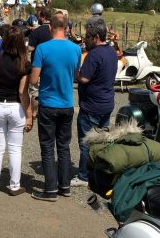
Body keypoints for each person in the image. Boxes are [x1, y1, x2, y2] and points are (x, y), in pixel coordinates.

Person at [30, 13, 82, 202]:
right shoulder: (76, 49)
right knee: (64, 146)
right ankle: (65, 186)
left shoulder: (42, 49)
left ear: (50, 27)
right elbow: (76, 75)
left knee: (47, 146)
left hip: (48, 103)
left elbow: (34, 79)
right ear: (67, 28)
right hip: (67, 103)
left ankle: (50, 189)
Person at [0, 25, 33, 196]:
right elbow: (22, 92)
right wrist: (29, 115)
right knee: (15, 148)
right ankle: (14, 186)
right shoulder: (24, 63)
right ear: (20, 42)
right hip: (15, 107)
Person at [70, 16, 119, 188]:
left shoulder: (94, 55)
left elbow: (83, 78)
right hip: (107, 103)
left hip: (91, 106)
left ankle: (83, 176)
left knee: (87, 142)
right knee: (102, 140)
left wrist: (75, 71)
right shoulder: (112, 52)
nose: (86, 41)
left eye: (88, 38)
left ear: (96, 37)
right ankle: (99, 171)